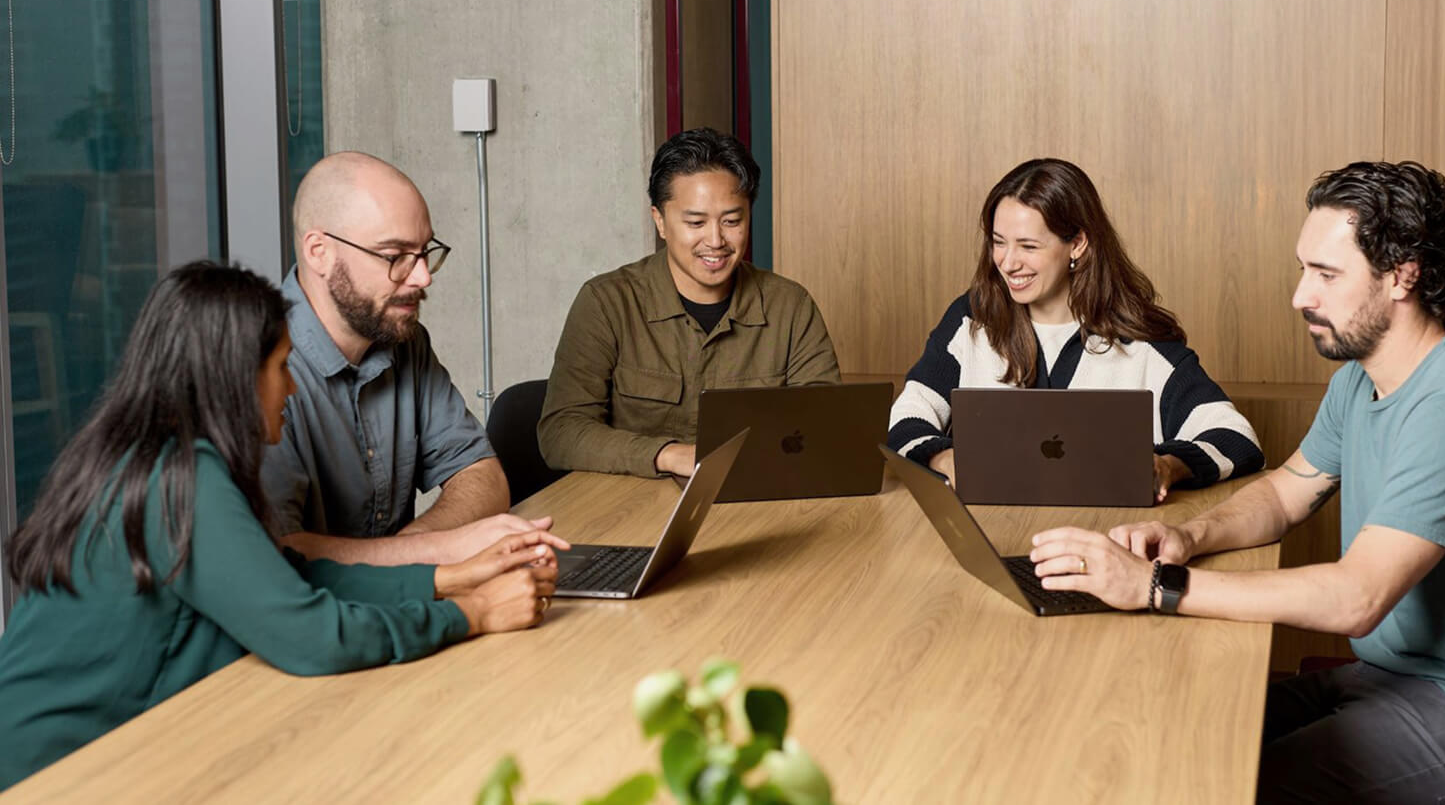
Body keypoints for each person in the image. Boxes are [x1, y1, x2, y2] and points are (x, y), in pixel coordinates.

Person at [1029, 162, 1445, 804]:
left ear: (1402, 274)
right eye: (1303, 269)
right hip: (1396, 678)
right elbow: (1288, 490)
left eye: (1325, 274)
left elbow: (1357, 599)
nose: (1300, 295)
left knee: (1221, 785)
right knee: (1188, 729)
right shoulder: (1361, 376)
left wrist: (1153, 587)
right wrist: (1186, 536)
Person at [0, 263, 567, 791]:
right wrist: (473, 614)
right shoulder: (185, 479)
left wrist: (451, 576)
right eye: (279, 368)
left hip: (114, 751)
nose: (291, 389)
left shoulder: (156, 458)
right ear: (235, 377)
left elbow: (292, 581)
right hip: (58, 776)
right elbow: (311, 636)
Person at [887, 157, 1263, 499]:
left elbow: (1237, 439)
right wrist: (944, 458)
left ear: (1078, 244)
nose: (1007, 262)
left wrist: (1167, 465)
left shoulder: (1142, 341)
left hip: (1106, 540)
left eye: (1028, 246)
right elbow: (907, 419)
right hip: (988, 534)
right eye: (998, 243)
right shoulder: (971, 318)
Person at [263, 151, 543, 565]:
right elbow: (280, 557)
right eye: (395, 256)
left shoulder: (404, 339)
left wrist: (407, 554)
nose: (423, 277)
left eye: (425, 251)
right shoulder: (254, 366)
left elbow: (483, 478)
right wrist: (433, 552)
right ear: (319, 252)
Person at [539, 127, 842, 478]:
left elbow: (827, 428)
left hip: (756, 501)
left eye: (732, 221)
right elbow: (560, 432)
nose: (715, 240)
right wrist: (667, 455)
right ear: (660, 222)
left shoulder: (790, 306)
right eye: (695, 222)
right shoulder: (607, 303)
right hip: (629, 509)